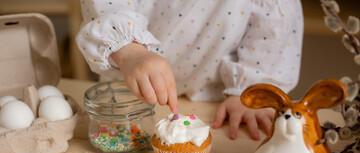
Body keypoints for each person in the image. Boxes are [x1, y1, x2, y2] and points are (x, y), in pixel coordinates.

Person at [76, 0, 304, 140]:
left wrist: (248, 87)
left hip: (217, 103)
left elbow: (274, 23)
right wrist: (129, 51)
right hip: (130, 88)